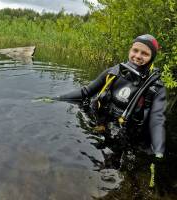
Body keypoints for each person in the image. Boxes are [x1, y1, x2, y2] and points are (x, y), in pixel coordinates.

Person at [56, 34, 167, 186]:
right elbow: (86, 92)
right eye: (135, 50)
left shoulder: (156, 88)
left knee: (117, 166)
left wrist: (159, 151)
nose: (138, 56)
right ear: (130, 50)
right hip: (102, 123)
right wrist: (56, 98)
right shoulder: (113, 72)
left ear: (152, 57)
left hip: (128, 134)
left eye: (145, 53)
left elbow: (157, 120)